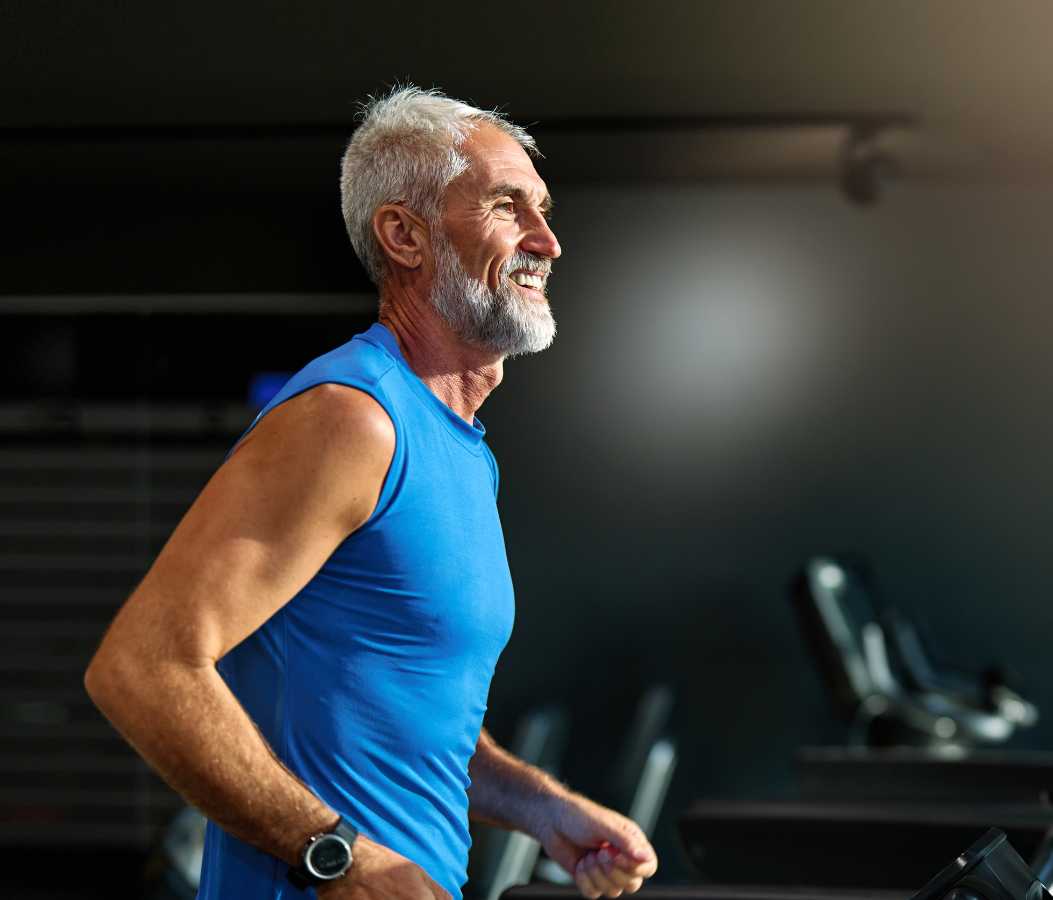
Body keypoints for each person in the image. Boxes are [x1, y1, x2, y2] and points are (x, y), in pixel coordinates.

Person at [85, 86, 658, 900]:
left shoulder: (457, 446)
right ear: (404, 235)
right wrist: (336, 855)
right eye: (508, 207)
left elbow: (403, 717)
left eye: (545, 209)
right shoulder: (351, 421)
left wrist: (539, 807)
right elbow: (141, 667)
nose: (549, 241)